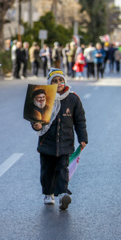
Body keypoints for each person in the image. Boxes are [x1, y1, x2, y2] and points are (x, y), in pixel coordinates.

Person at [32, 68, 88, 210]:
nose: (59, 83)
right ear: (50, 83)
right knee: (47, 170)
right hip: (46, 143)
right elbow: (35, 117)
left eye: (61, 80)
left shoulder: (73, 99)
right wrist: (36, 126)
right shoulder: (43, 98)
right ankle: (48, 194)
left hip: (65, 143)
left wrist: (83, 138)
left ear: (65, 81)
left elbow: (80, 121)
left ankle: (63, 194)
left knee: (63, 168)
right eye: (55, 81)